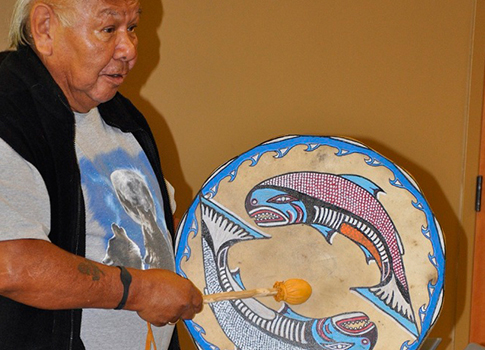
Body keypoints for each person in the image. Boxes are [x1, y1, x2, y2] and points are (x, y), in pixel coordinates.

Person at [0, 0, 203, 349]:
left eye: (133, 28)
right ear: (45, 27)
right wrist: (139, 291)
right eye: (109, 29)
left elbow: (166, 228)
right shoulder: (9, 110)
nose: (129, 50)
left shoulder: (123, 117)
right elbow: (11, 264)